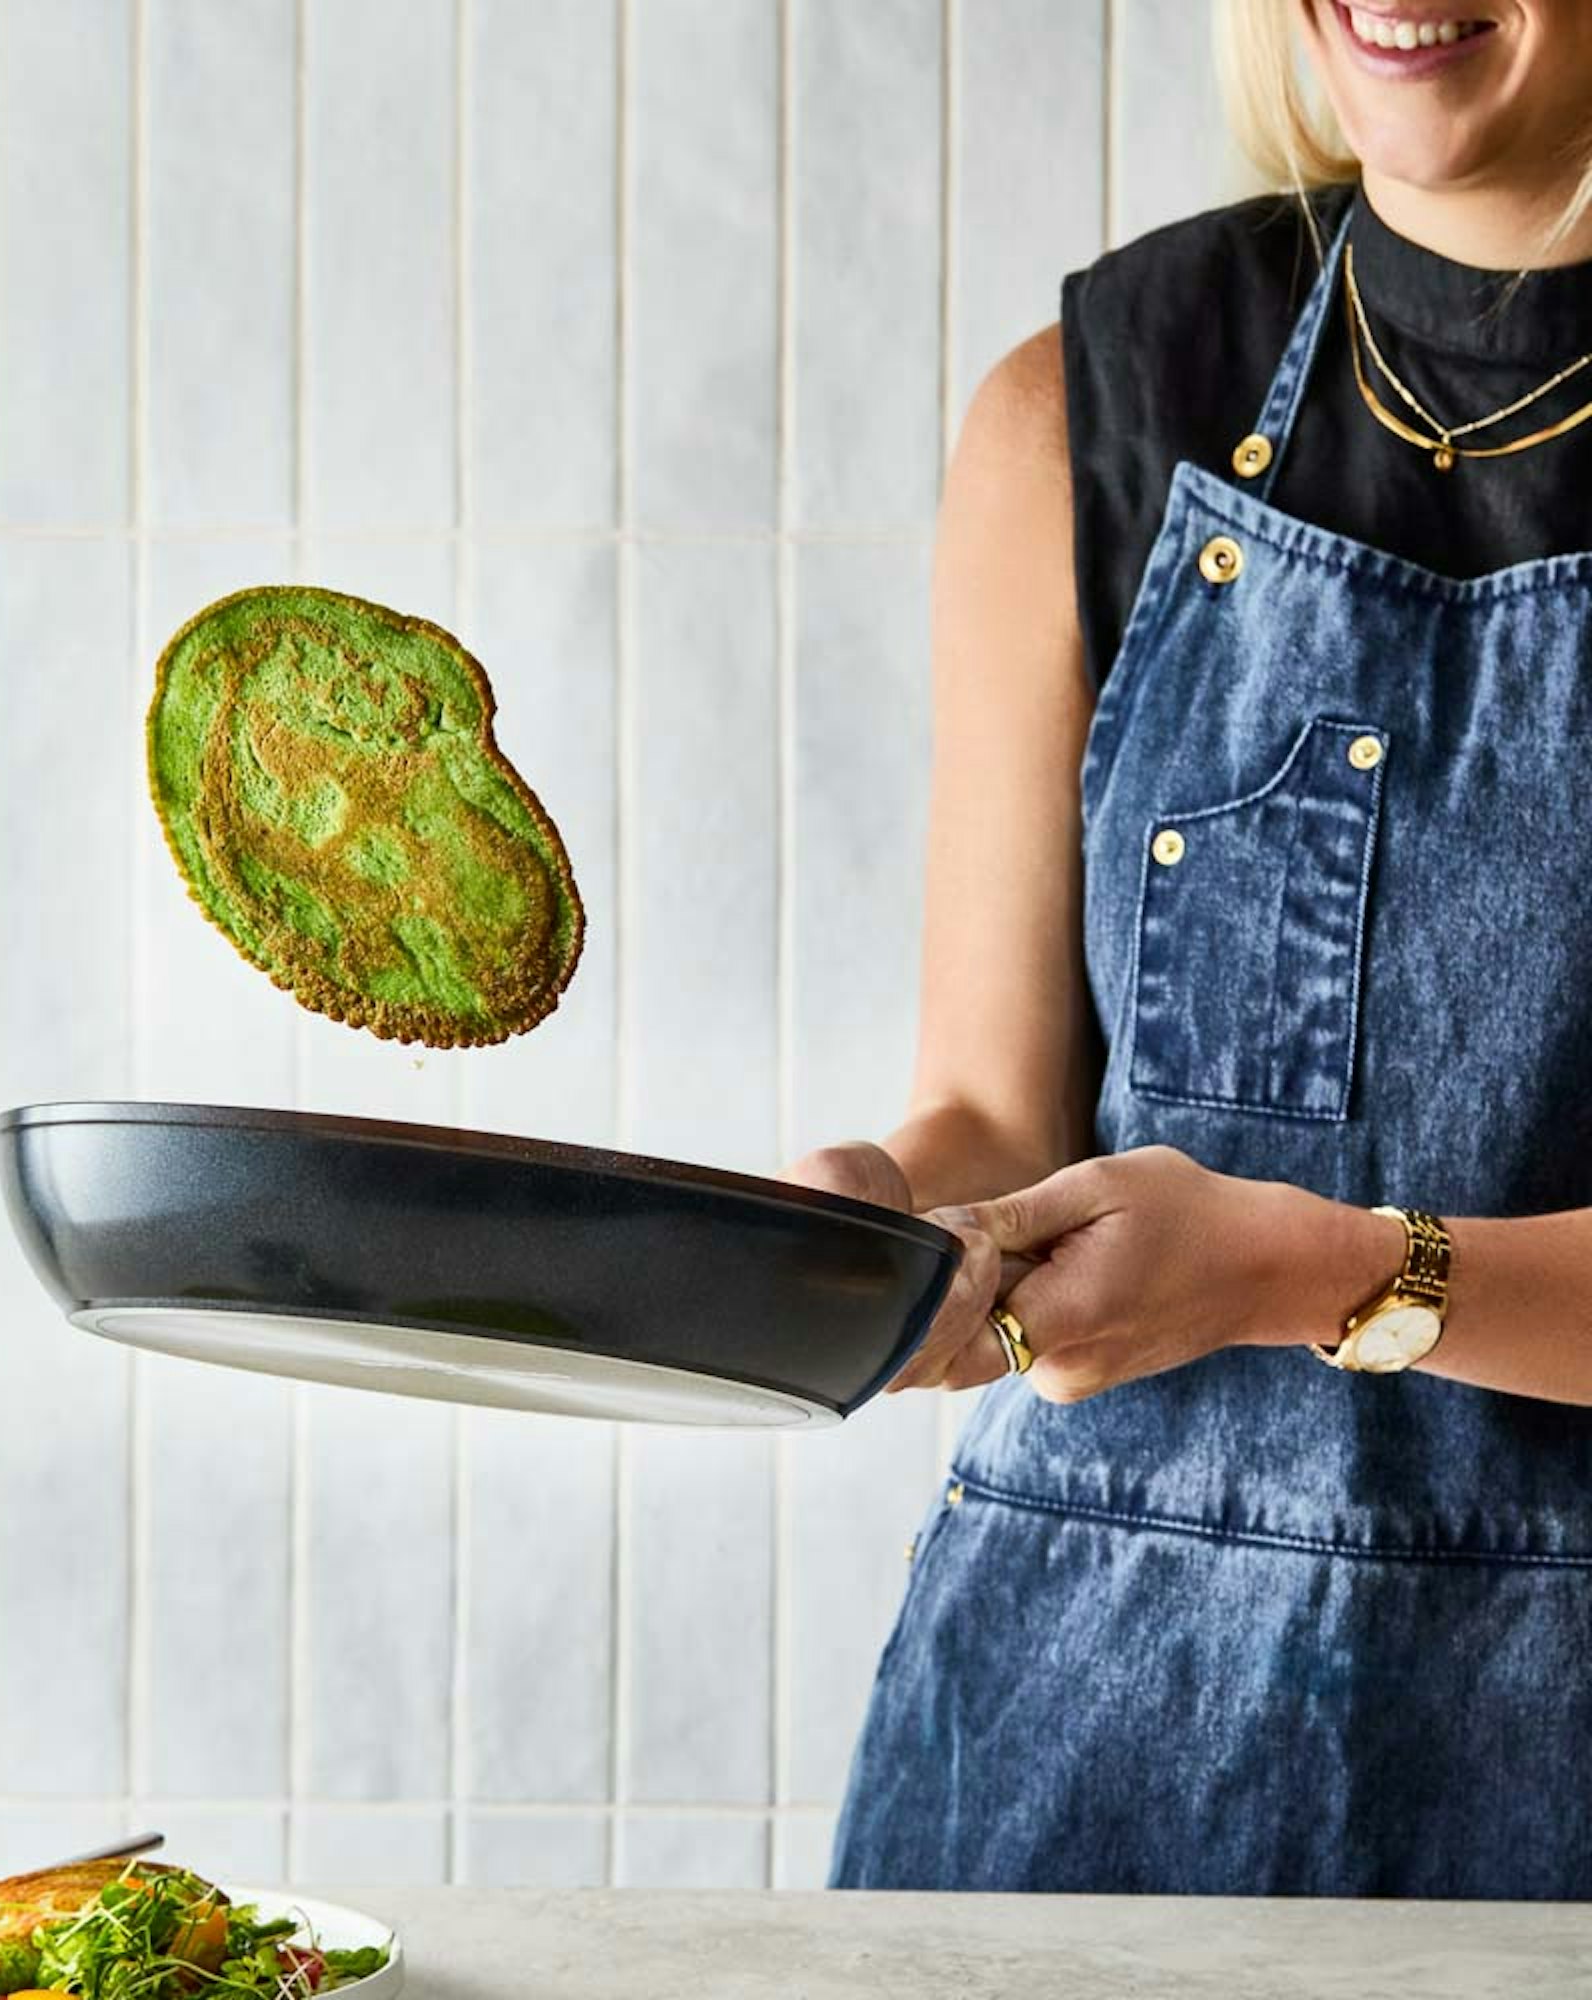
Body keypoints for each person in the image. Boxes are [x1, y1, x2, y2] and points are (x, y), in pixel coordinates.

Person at [787, 0, 1592, 1897]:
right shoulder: (1078, 409)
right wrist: (872, 1225)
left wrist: (1310, 1273)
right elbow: (992, 1111)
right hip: (1078, 1727)